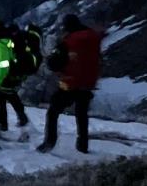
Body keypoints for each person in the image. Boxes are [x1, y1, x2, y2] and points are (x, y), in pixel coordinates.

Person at [37, 13, 102, 154]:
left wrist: (50, 60)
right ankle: (82, 145)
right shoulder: (94, 38)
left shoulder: (68, 41)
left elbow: (54, 63)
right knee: (81, 113)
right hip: (88, 83)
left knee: (53, 111)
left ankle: (49, 142)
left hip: (70, 83)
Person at [0, 15, 29, 131]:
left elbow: (4, 65)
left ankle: (2, 124)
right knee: (10, 93)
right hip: (17, 72)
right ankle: (22, 117)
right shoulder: (10, 36)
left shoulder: (1, 43)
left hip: (8, 74)